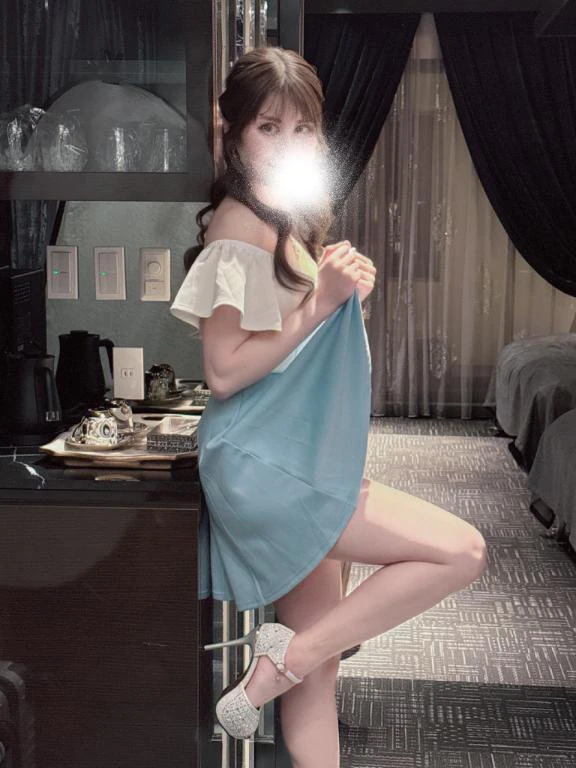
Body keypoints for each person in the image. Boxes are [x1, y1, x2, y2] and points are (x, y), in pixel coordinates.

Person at [170, 47, 487, 767]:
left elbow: (287, 346)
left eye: (302, 129)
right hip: (268, 466)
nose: (287, 143)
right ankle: (280, 660)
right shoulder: (238, 226)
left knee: (318, 679)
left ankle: (291, 661)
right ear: (233, 132)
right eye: (268, 127)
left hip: (293, 458)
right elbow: (224, 369)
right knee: (461, 551)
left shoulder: (278, 219)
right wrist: (321, 303)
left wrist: (333, 294)